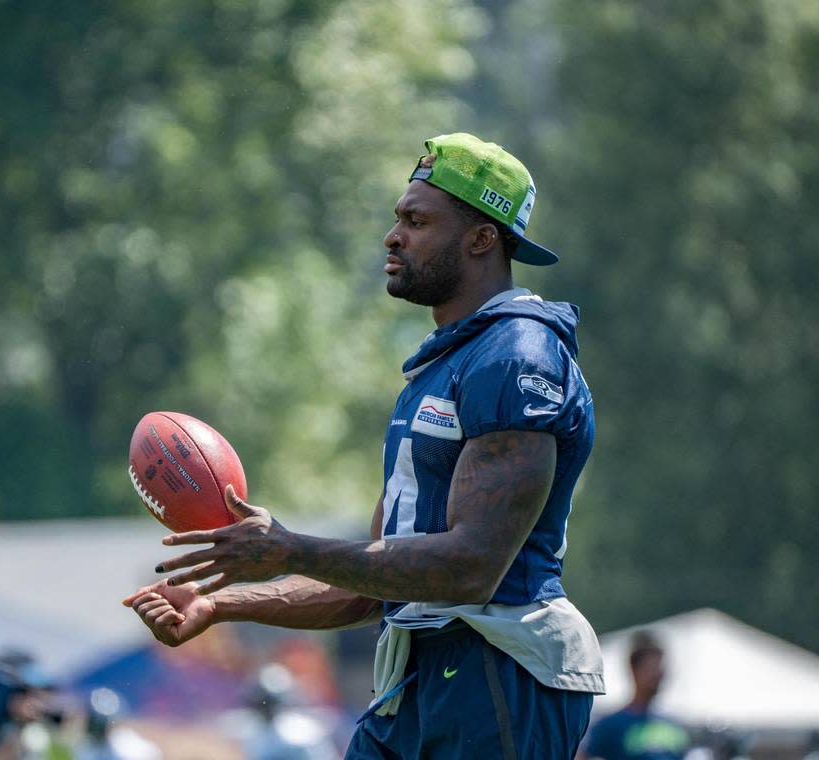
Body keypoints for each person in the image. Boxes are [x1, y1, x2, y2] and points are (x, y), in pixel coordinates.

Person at [123, 132, 604, 758]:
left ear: (482, 237)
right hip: (421, 667)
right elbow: (371, 583)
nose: (392, 235)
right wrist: (220, 605)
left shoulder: (517, 355)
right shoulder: (442, 365)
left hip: (497, 664)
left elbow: (470, 567)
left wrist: (291, 549)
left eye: (417, 220)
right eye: (397, 217)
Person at [577, 631, 690, 760]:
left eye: (660, 667)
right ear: (633, 670)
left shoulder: (674, 726)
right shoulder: (610, 726)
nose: (658, 674)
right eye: (651, 668)